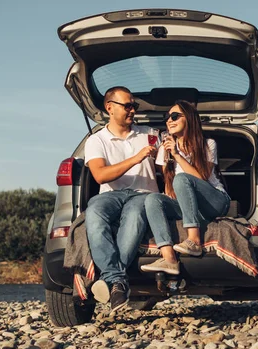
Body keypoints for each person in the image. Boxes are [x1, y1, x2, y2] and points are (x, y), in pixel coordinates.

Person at [84, 86, 159, 312]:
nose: (132, 110)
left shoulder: (150, 134)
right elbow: (100, 175)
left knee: (135, 215)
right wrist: (136, 158)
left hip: (143, 194)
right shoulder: (97, 140)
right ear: (109, 108)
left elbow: (168, 167)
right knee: (94, 212)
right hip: (110, 195)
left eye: (134, 106)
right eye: (127, 105)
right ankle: (117, 279)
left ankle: (114, 281)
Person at [141, 100, 230, 275]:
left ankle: (194, 241)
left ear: (189, 118)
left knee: (182, 178)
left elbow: (201, 179)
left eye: (174, 116)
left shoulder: (208, 144)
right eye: (167, 118)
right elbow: (168, 184)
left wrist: (177, 155)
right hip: (188, 206)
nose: (169, 120)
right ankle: (169, 258)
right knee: (152, 198)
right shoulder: (164, 149)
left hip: (214, 202)